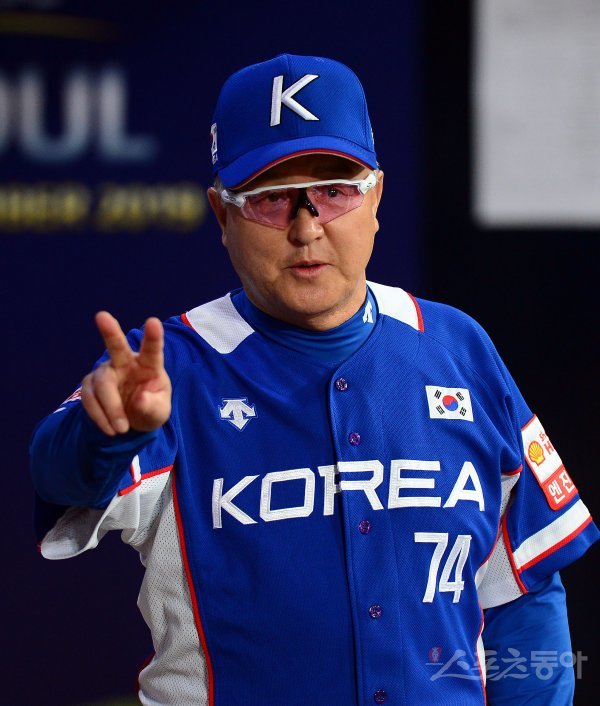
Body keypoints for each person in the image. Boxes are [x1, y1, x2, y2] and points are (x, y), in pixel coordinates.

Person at [30, 54, 598, 706]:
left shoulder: (455, 347)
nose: (306, 228)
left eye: (333, 191)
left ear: (375, 197)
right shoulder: (169, 367)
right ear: (222, 215)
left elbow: (523, 590)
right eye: (270, 199)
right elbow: (58, 477)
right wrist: (103, 435)